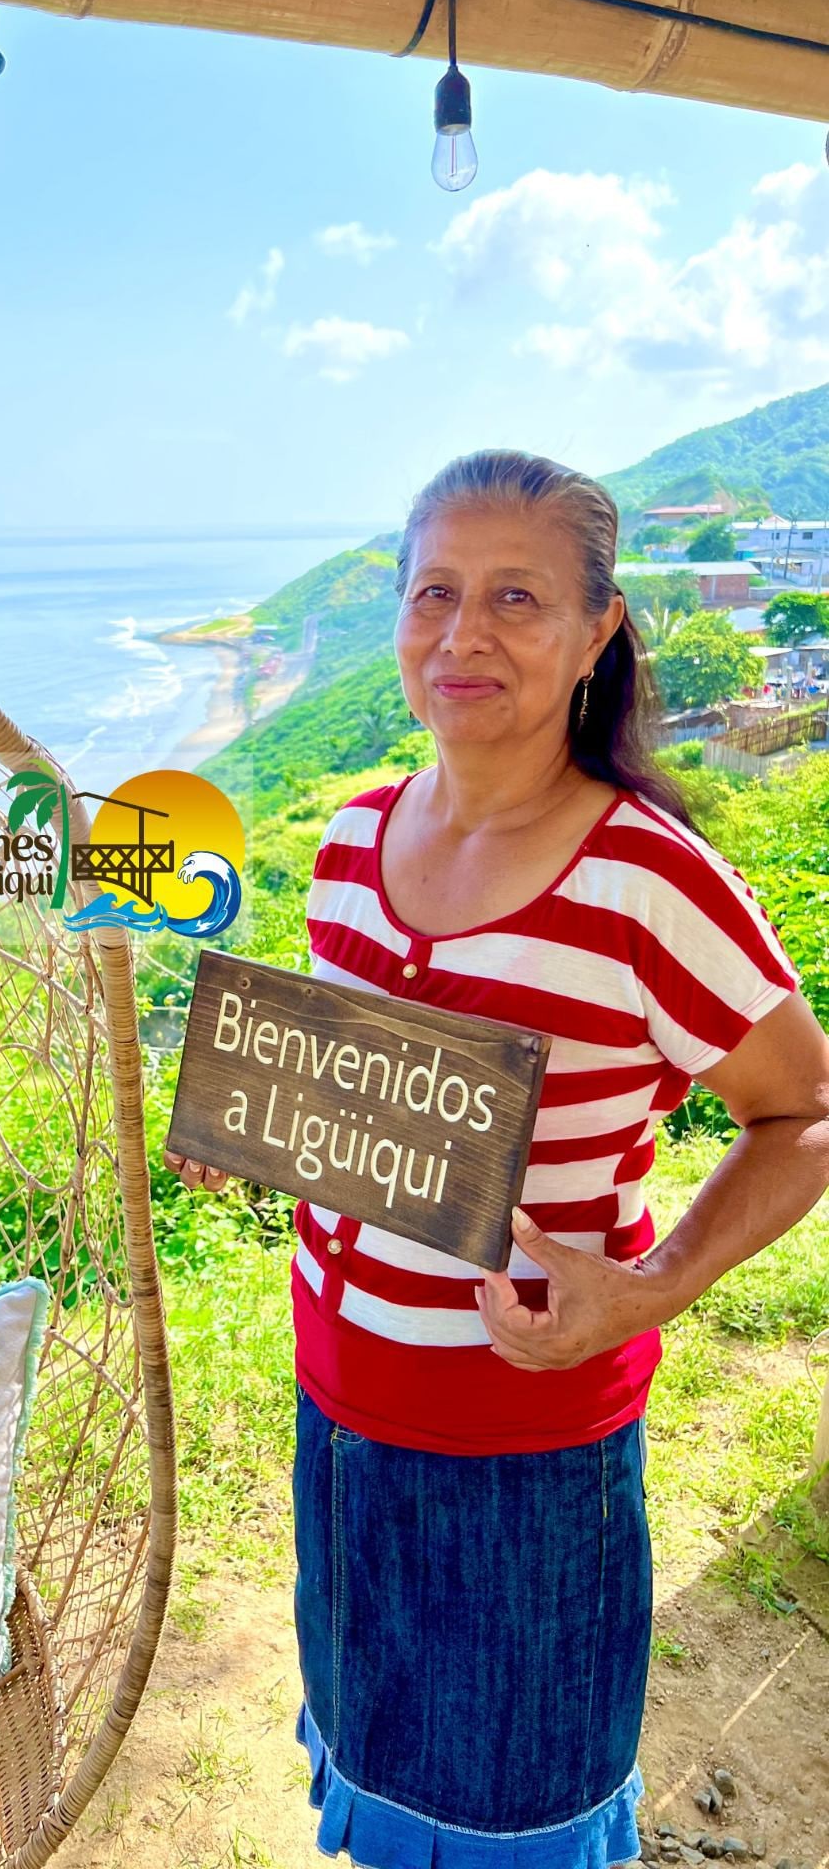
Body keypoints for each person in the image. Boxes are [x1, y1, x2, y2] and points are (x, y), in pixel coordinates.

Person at [164, 449, 829, 1869]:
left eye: (515, 599)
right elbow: (387, 1119)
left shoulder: (647, 878)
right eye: (435, 595)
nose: (463, 637)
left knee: (513, 1810)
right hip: (336, 1416)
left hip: (525, 1460)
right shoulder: (348, 840)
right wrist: (267, 1130)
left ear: (595, 634)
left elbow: (805, 1114)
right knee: (381, 1759)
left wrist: (653, 1287)